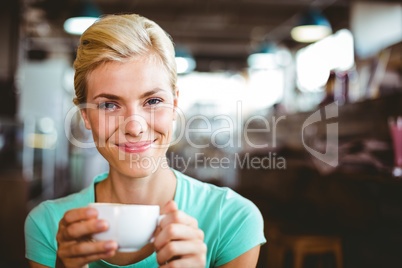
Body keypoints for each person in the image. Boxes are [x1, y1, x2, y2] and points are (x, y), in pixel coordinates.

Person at [25, 14, 266, 268]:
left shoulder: (232, 219)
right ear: (85, 115)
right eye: (109, 105)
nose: (135, 127)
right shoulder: (48, 226)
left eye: (152, 101)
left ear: (174, 105)